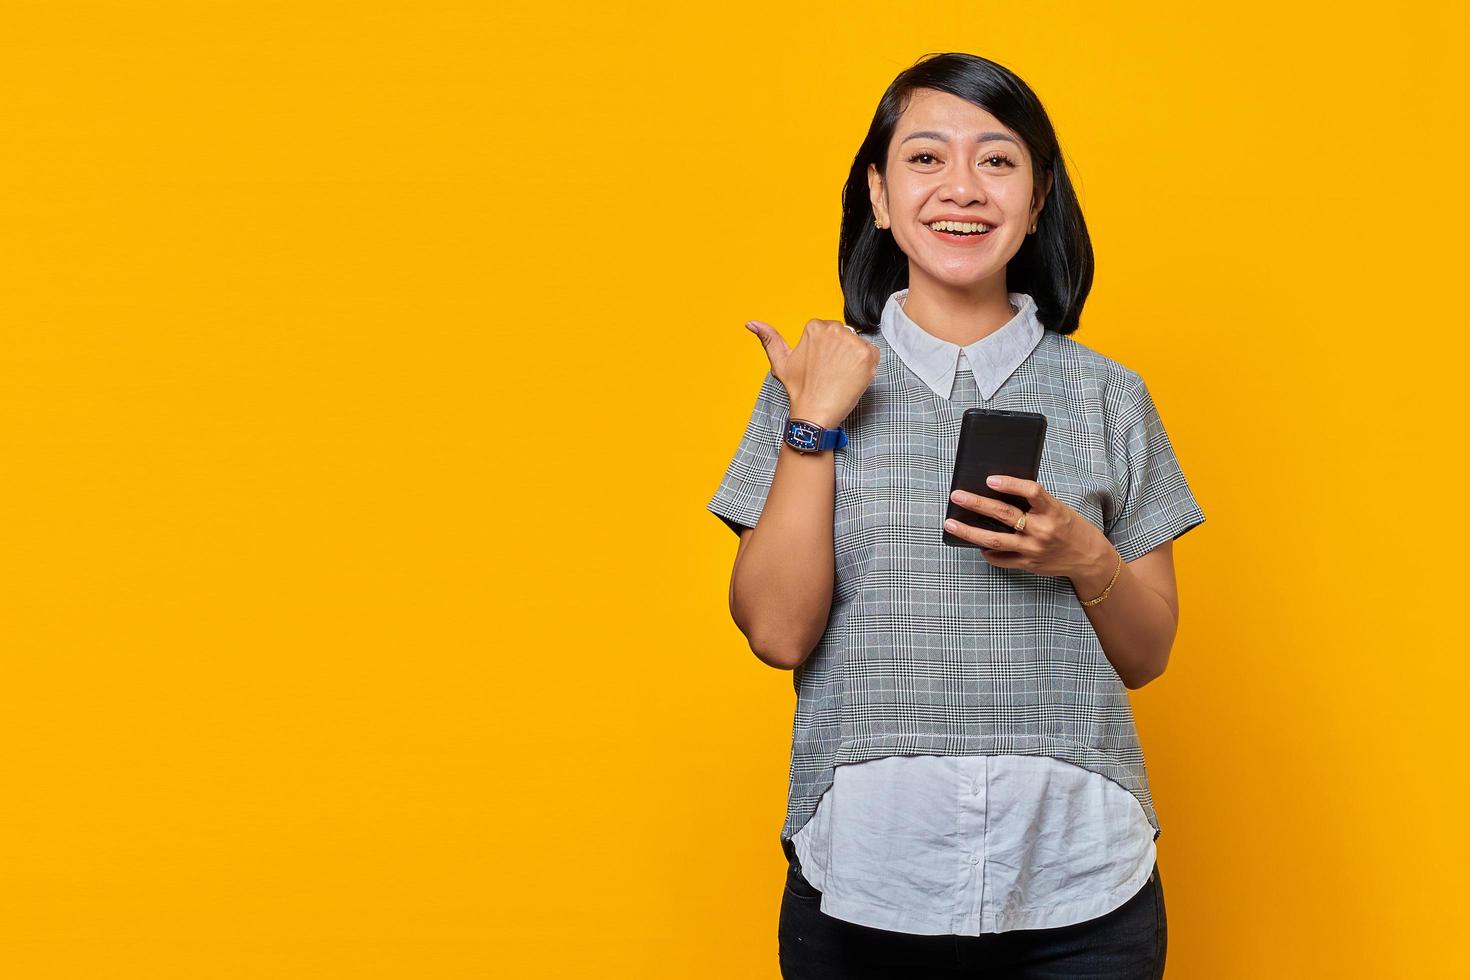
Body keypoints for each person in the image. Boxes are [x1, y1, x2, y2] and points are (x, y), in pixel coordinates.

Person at [706, 52, 1204, 978]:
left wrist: (1084, 555)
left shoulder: (1109, 398)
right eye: (926, 159)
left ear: (1040, 193)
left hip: (1080, 882)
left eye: (998, 159)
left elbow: (1149, 656)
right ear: (881, 196)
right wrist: (813, 422)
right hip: (864, 876)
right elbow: (776, 632)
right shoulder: (810, 385)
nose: (962, 188)